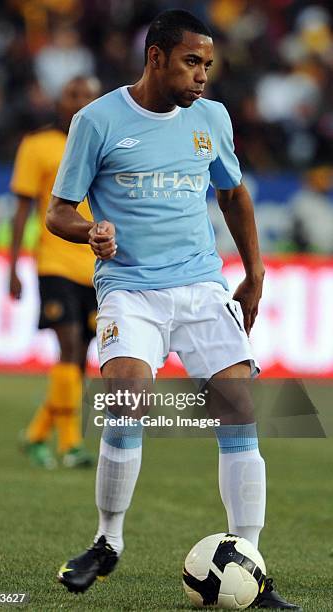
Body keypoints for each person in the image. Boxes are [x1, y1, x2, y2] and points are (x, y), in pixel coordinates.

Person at [47, 10, 300, 610]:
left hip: (200, 286)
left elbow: (233, 194)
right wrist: (89, 232)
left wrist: (255, 273)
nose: (202, 77)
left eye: (207, 65)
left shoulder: (211, 119)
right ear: (156, 57)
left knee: (239, 408)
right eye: (192, 62)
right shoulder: (98, 120)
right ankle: (107, 541)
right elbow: (58, 210)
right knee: (127, 394)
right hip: (129, 288)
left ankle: (249, 560)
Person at [10, 76, 101, 469]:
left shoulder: (103, 144)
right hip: (54, 263)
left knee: (79, 359)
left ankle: (35, 435)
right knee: (68, 345)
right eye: (73, 94)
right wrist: (13, 267)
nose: (80, 102)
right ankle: (70, 444)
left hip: (95, 267)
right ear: (60, 100)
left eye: (87, 97)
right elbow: (21, 211)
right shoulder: (37, 145)